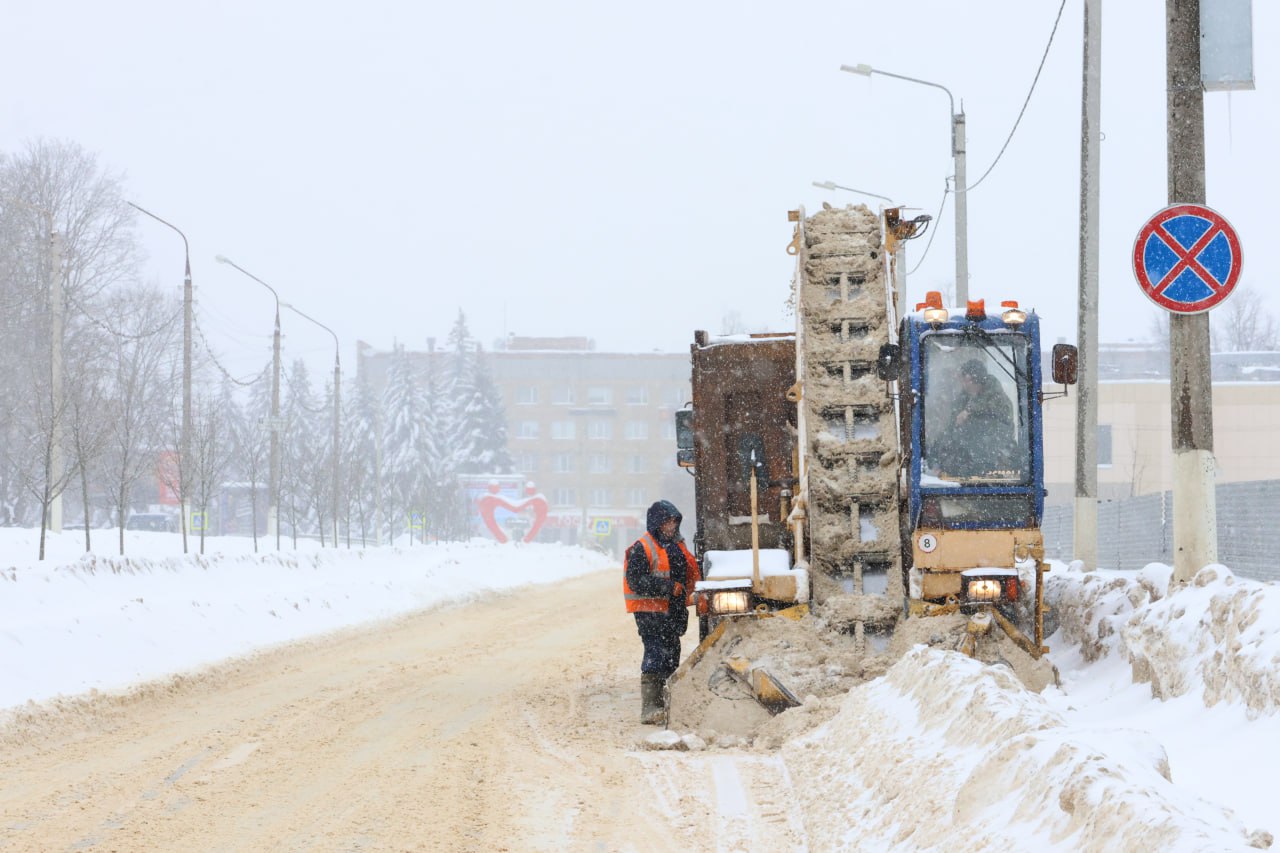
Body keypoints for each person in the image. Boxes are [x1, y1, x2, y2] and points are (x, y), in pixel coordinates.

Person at [623, 500, 700, 725]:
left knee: (672, 654)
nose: (672, 526)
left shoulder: (676, 545)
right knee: (656, 654)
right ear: (657, 523)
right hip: (651, 613)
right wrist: (667, 587)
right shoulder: (643, 547)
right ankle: (650, 708)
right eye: (668, 521)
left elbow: (689, 570)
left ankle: (667, 705)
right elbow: (635, 580)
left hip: (671, 611)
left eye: (674, 521)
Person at [935, 359, 1014, 476]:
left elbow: (997, 431)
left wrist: (970, 412)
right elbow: (951, 430)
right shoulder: (963, 400)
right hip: (964, 466)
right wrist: (939, 458)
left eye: (965, 381)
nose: (963, 385)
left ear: (975, 379)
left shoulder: (999, 400)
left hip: (993, 469)